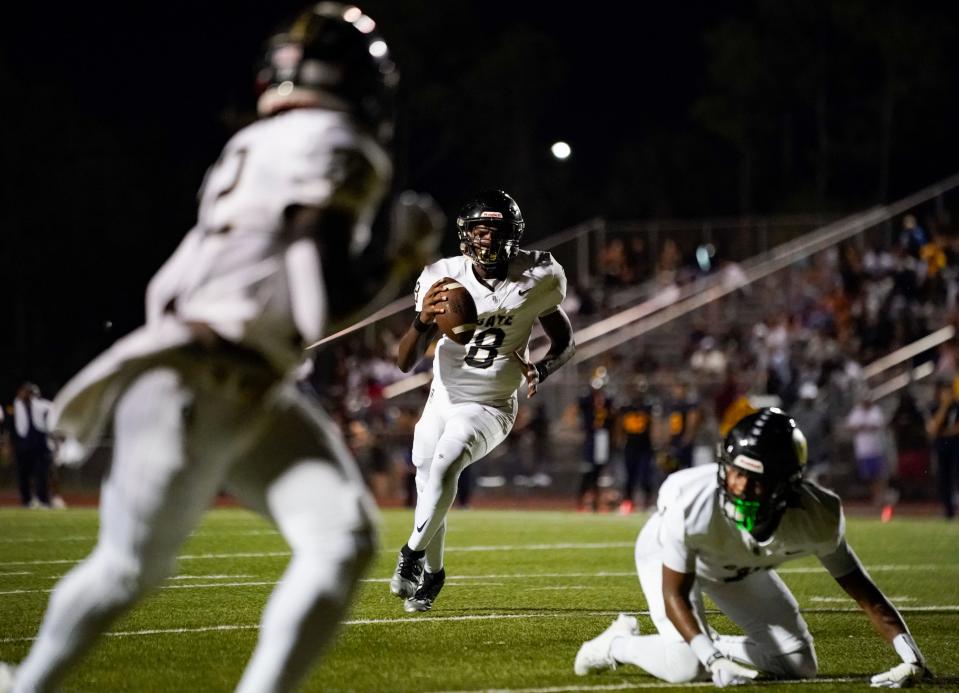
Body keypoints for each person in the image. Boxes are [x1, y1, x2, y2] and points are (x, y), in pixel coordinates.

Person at [0, 5, 410, 692]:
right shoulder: (343, 144)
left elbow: (171, 283)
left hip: (220, 371)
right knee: (135, 568)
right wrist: (399, 259)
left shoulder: (251, 146)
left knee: (338, 539)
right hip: (209, 376)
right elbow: (316, 305)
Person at [573, 408, 932, 688]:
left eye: (754, 478)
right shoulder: (694, 504)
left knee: (797, 664)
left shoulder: (816, 515)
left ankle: (713, 643)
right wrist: (711, 659)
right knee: (687, 665)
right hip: (671, 553)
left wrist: (911, 657)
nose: (740, 487)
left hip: (737, 566)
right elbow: (675, 594)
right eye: (735, 473)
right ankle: (615, 645)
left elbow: (865, 594)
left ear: (785, 484)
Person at [389, 189, 575, 613]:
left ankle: (411, 555)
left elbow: (565, 341)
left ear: (513, 234)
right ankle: (433, 573)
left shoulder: (540, 274)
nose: (487, 240)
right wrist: (421, 321)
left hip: (491, 402)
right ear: (465, 235)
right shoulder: (443, 275)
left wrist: (541, 369)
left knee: (447, 461)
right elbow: (403, 363)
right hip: (443, 397)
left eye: (495, 230)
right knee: (426, 478)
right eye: (479, 230)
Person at [9, 382, 54, 508]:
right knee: (23, 475)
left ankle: (43, 500)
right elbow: (12, 427)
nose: (25, 395)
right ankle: (26, 501)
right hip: (23, 447)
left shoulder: (41, 406)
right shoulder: (15, 406)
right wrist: (10, 445)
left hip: (40, 446)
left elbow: (52, 412)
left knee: (42, 475)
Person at [926, 378, 959, 518]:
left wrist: (944, 431)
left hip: (956, 445)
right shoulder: (935, 407)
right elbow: (933, 428)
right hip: (941, 446)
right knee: (943, 477)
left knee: (956, 475)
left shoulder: (957, 407)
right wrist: (944, 407)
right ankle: (948, 511)